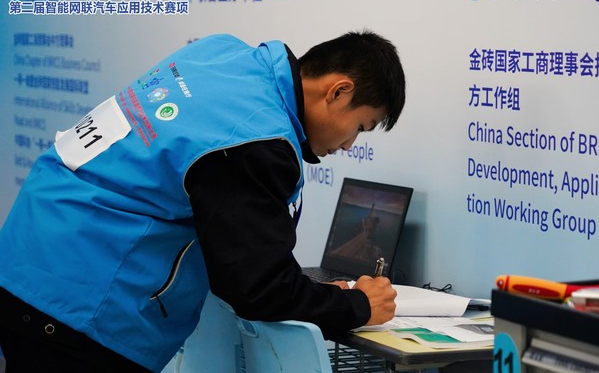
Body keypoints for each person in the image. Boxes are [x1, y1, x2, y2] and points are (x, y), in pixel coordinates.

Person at [0, 29, 406, 372]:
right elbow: (257, 288)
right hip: (80, 301)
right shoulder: (257, 140)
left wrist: (318, 294)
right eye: (360, 126)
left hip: (32, 252)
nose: (349, 144)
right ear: (338, 91)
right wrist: (356, 304)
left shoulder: (222, 54)